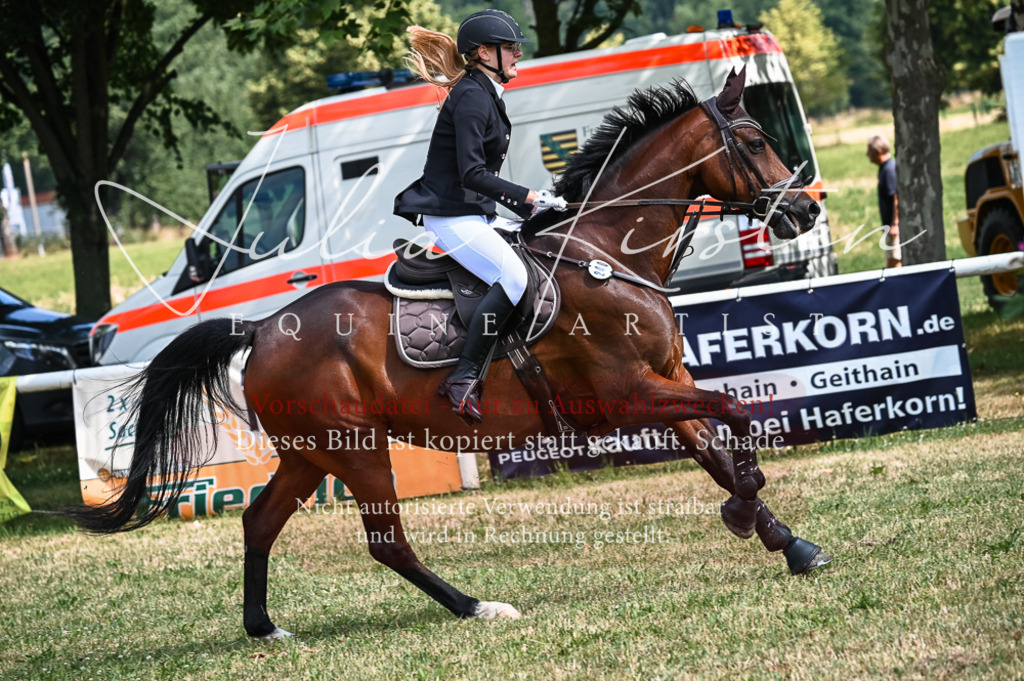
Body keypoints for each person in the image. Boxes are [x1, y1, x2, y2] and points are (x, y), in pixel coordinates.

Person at [394, 10, 566, 424]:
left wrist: (532, 208)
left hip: (473, 213)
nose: (518, 54)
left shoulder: (484, 91)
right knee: (514, 278)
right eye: (511, 48)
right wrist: (526, 197)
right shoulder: (472, 96)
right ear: (484, 53)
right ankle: (463, 378)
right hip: (451, 217)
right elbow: (472, 173)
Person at [867, 135, 901, 268]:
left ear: (878, 151)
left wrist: (895, 224)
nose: (867, 155)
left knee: (895, 263)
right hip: (890, 226)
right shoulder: (884, 168)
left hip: (893, 227)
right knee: (892, 261)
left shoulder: (889, 170)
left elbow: (896, 197)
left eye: (869, 151)